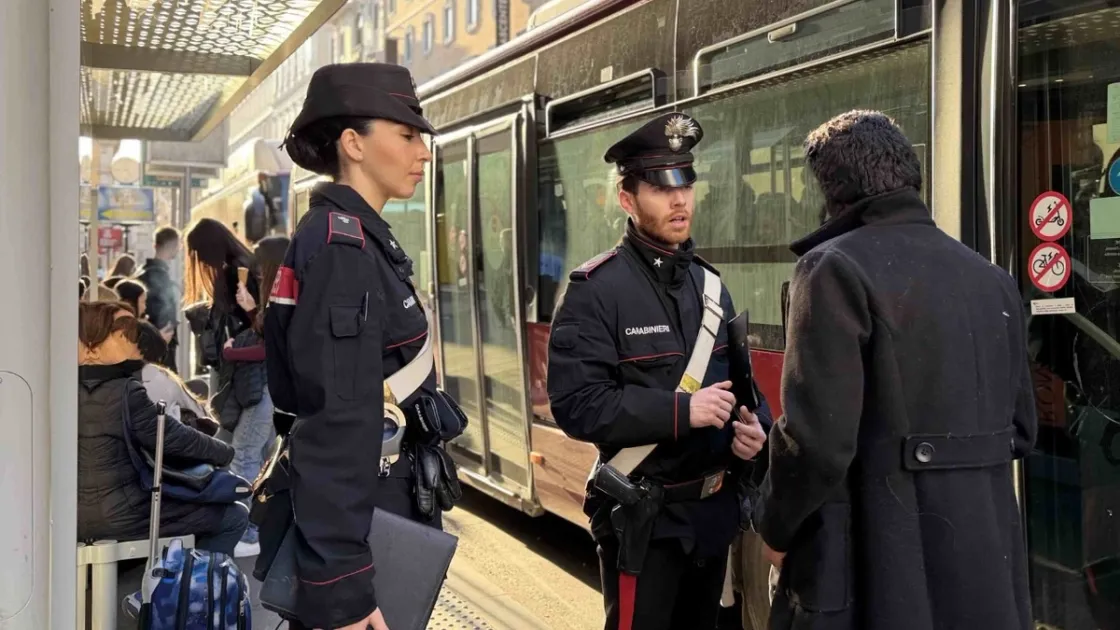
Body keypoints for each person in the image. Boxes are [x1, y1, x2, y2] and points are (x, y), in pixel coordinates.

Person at [756, 111, 1036, 630]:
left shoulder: (831, 268)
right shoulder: (993, 279)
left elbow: (816, 441)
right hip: (987, 563)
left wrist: (773, 526)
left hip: (875, 563)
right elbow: (1021, 428)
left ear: (831, 191)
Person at [546, 112, 771, 630]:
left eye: (686, 185)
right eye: (661, 188)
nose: (680, 201)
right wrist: (682, 411)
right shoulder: (595, 290)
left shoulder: (710, 286)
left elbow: (744, 390)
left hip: (712, 517)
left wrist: (753, 431)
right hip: (643, 524)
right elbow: (578, 406)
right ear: (627, 199)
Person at [263, 62, 461, 630]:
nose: (422, 153)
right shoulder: (342, 247)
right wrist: (343, 584)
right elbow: (336, 422)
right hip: (364, 523)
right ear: (354, 143)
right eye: (406, 135)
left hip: (372, 511)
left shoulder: (352, 236)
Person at [77, 301, 247, 554]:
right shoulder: (125, 390)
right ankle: (191, 589)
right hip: (122, 515)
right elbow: (172, 437)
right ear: (94, 342)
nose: (131, 339)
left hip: (69, 515)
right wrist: (225, 453)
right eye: (122, 331)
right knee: (233, 517)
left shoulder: (57, 387)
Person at [216, 235, 289, 557]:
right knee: (258, 456)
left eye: (260, 270)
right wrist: (251, 309)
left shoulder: (283, 300)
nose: (256, 274)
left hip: (266, 390)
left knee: (244, 453)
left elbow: (272, 348)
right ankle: (254, 525)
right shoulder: (283, 298)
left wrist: (233, 354)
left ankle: (246, 529)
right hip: (272, 390)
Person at [136, 226, 182, 370]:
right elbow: (163, 312)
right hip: (162, 344)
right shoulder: (161, 276)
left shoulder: (142, 274)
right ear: (174, 247)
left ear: (155, 245)